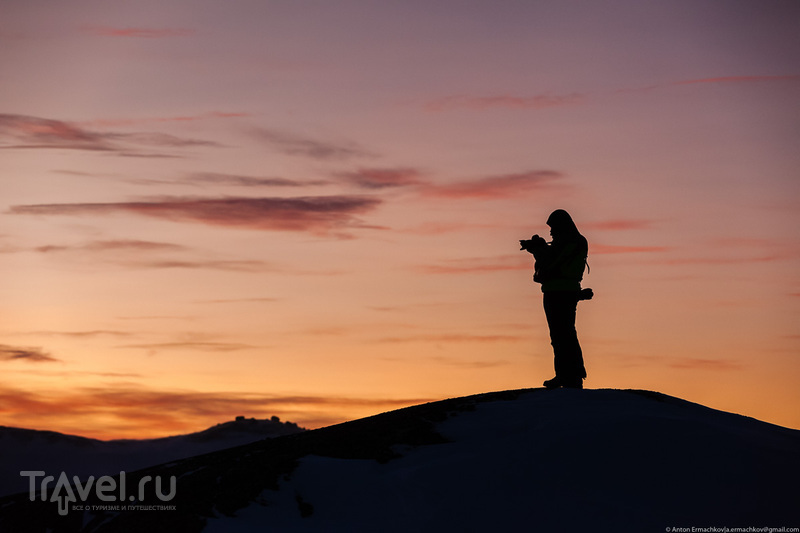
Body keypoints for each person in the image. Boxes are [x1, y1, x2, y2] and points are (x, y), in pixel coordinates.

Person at [520, 209, 590, 389]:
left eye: (553, 228)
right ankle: (568, 374)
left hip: (560, 292)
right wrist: (540, 249)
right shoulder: (571, 242)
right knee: (561, 334)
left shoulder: (570, 243)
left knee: (563, 334)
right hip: (558, 291)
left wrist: (539, 249)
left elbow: (553, 262)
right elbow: (552, 259)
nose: (551, 232)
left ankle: (570, 376)